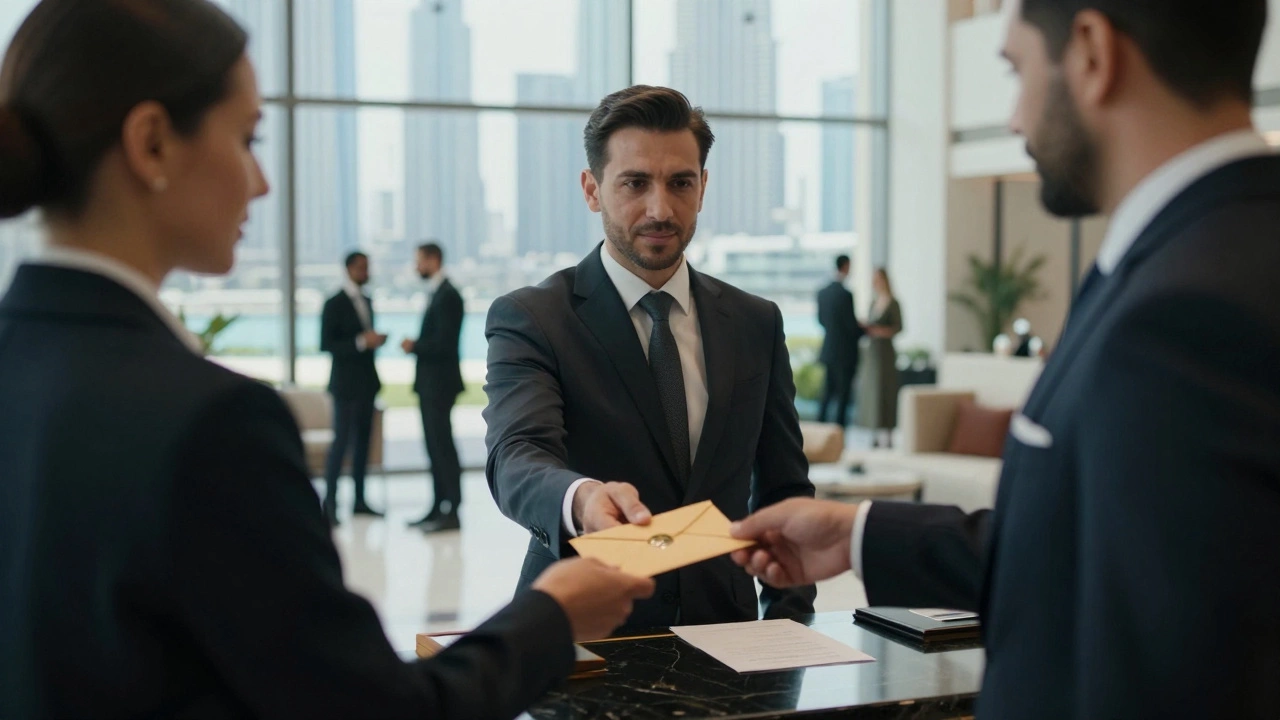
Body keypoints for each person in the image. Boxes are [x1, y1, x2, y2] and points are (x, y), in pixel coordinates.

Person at [0, 2, 654, 717]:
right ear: (152, 143)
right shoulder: (210, 423)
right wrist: (553, 616)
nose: (261, 181)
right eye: (248, 139)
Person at [730, 0, 1280, 716]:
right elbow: (1095, 549)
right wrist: (859, 533)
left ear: (1090, 51)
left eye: (1016, 70)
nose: (1015, 117)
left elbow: (1162, 659)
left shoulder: (1188, 308)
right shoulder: (1202, 253)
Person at [483, 85, 816, 631]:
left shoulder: (756, 321)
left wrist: (791, 622)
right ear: (592, 190)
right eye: (634, 183)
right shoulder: (533, 318)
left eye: (680, 182)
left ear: (703, 187)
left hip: (728, 631)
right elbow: (517, 456)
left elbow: (783, 488)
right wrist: (582, 498)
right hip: (583, 630)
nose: (660, 209)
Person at [401, 242, 465, 533]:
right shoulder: (438, 293)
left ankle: (451, 508)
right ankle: (437, 505)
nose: (417, 267)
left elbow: (444, 343)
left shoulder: (449, 296)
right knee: (433, 445)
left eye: (419, 261)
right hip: (430, 384)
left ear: (433, 260)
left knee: (442, 446)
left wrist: (414, 345)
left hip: (439, 384)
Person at [319, 250, 386, 524]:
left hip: (367, 384)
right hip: (345, 386)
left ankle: (360, 500)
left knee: (362, 444)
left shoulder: (368, 300)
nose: (365, 272)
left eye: (367, 267)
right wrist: (361, 342)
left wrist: (373, 342)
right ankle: (330, 504)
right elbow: (326, 344)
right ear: (348, 269)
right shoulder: (334, 303)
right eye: (361, 267)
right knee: (341, 444)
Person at [856, 267, 902, 448]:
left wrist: (880, 331)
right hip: (872, 353)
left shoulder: (893, 303)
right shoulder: (873, 302)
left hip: (886, 352)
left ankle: (889, 433)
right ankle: (873, 432)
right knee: (872, 392)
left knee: (887, 391)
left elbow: (899, 327)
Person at [816, 254, 863, 427]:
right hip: (846, 353)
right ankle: (839, 434)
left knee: (827, 394)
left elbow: (821, 321)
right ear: (845, 266)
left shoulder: (822, 292)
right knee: (843, 396)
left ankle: (819, 430)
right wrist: (866, 329)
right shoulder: (845, 295)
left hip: (828, 350)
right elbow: (851, 326)